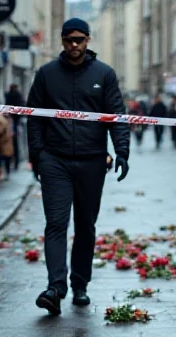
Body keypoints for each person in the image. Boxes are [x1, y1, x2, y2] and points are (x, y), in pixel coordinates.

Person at [27, 18, 130, 316]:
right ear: (62, 41)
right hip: (55, 160)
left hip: (92, 160)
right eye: (69, 40)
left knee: (85, 225)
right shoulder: (46, 74)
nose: (74, 45)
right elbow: (34, 116)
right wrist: (38, 154)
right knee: (56, 224)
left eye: (80, 40)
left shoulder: (104, 74)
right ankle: (55, 289)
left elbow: (116, 116)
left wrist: (121, 151)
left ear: (88, 41)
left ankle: (80, 283)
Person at [4, 83, 25, 169]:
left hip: (9, 121)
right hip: (16, 122)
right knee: (15, 143)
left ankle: (8, 164)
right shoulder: (19, 95)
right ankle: (16, 162)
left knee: (8, 143)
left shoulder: (8, 95)